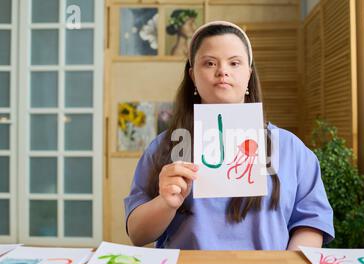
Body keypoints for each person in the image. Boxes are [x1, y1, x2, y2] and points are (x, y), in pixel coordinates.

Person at [125, 21, 335, 250]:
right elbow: (137, 234)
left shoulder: (290, 148)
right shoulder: (164, 147)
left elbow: (311, 222)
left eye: (234, 63)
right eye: (209, 63)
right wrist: (165, 203)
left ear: (249, 73)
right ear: (193, 76)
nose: (222, 71)